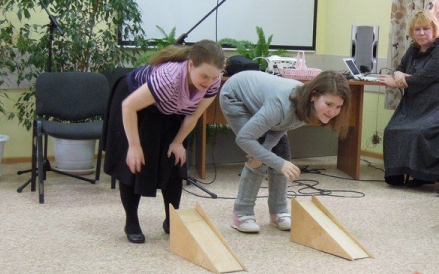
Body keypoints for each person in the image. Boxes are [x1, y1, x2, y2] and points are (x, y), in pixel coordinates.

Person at [103, 41, 226, 244]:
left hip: (170, 107)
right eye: (204, 76)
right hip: (135, 105)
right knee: (135, 164)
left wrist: (178, 142)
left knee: (174, 161)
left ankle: (172, 220)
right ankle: (131, 222)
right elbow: (129, 106)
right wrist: (134, 146)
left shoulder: (213, 79)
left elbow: (193, 116)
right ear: (190, 65)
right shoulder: (169, 78)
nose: (209, 82)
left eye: (213, 77)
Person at [219, 70, 350, 233]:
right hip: (235, 96)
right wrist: (273, 160)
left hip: (268, 108)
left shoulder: (308, 107)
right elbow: (245, 139)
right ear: (314, 96)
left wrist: (272, 156)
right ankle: (242, 213)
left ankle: (278, 212)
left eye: (338, 106)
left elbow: (281, 126)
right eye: (329, 104)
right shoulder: (281, 105)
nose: (333, 112)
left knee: (280, 154)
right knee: (258, 160)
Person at [378, 9, 439, 187]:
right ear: (412, 32)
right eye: (417, 29)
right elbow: (400, 67)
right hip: (418, 104)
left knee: (418, 131)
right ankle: (397, 174)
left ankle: (423, 175)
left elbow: (423, 78)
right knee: (392, 129)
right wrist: (398, 73)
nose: (422, 33)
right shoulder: (413, 50)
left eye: (426, 28)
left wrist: (397, 81)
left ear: (434, 30)